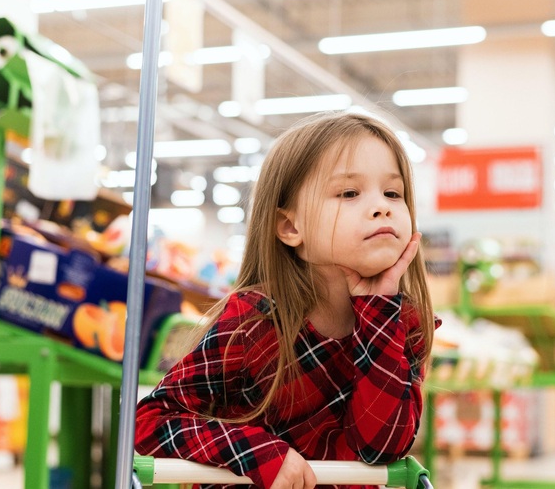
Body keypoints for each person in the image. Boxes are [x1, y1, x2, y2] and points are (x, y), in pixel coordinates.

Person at [134, 111, 441, 489]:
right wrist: (256, 452)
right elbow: (151, 420)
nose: (383, 206)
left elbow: (380, 446)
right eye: (349, 193)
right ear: (290, 227)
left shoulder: (404, 323)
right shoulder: (253, 322)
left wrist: (377, 309)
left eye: (393, 193)